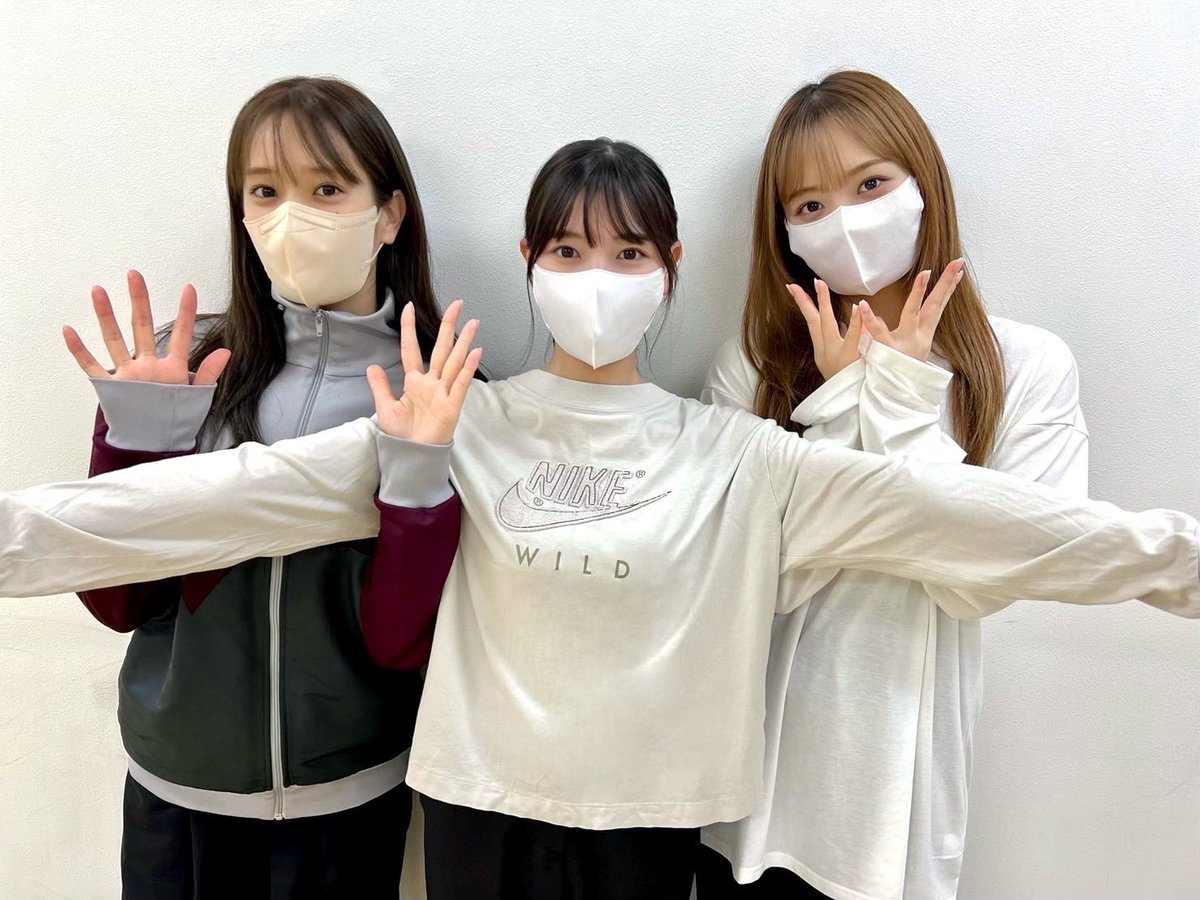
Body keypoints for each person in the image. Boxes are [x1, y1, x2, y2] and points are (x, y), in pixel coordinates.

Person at [2, 138, 1197, 900]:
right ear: (527, 257)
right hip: (476, 812)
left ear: (671, 265)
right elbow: (228, 501)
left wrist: (1177, 562)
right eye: (570, 248)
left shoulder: (746, 456)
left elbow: (981, 521)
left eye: (628, 251)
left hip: (652, 826)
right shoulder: (459, 421)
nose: (597, 276)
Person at [54, 76, 464, 899]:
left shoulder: (438, 396)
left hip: (348, 797)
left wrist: (418, 473)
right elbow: (120, 606)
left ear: (389, 213)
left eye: (327, 189)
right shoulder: (191, 373)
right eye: (266, 192)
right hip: (178, 791)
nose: (292, 216)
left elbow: (403, 642)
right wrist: (134, 442)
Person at [695, 70, 1089, 899]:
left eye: (870, 184)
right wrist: (845, 406)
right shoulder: (752, 369)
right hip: (747, 802)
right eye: (810, 205)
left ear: (923, 184)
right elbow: (748, 576)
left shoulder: (1026, 365)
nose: (845, 220)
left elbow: (984, 578)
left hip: (896, 807)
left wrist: (899, 406)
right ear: (784, 233)